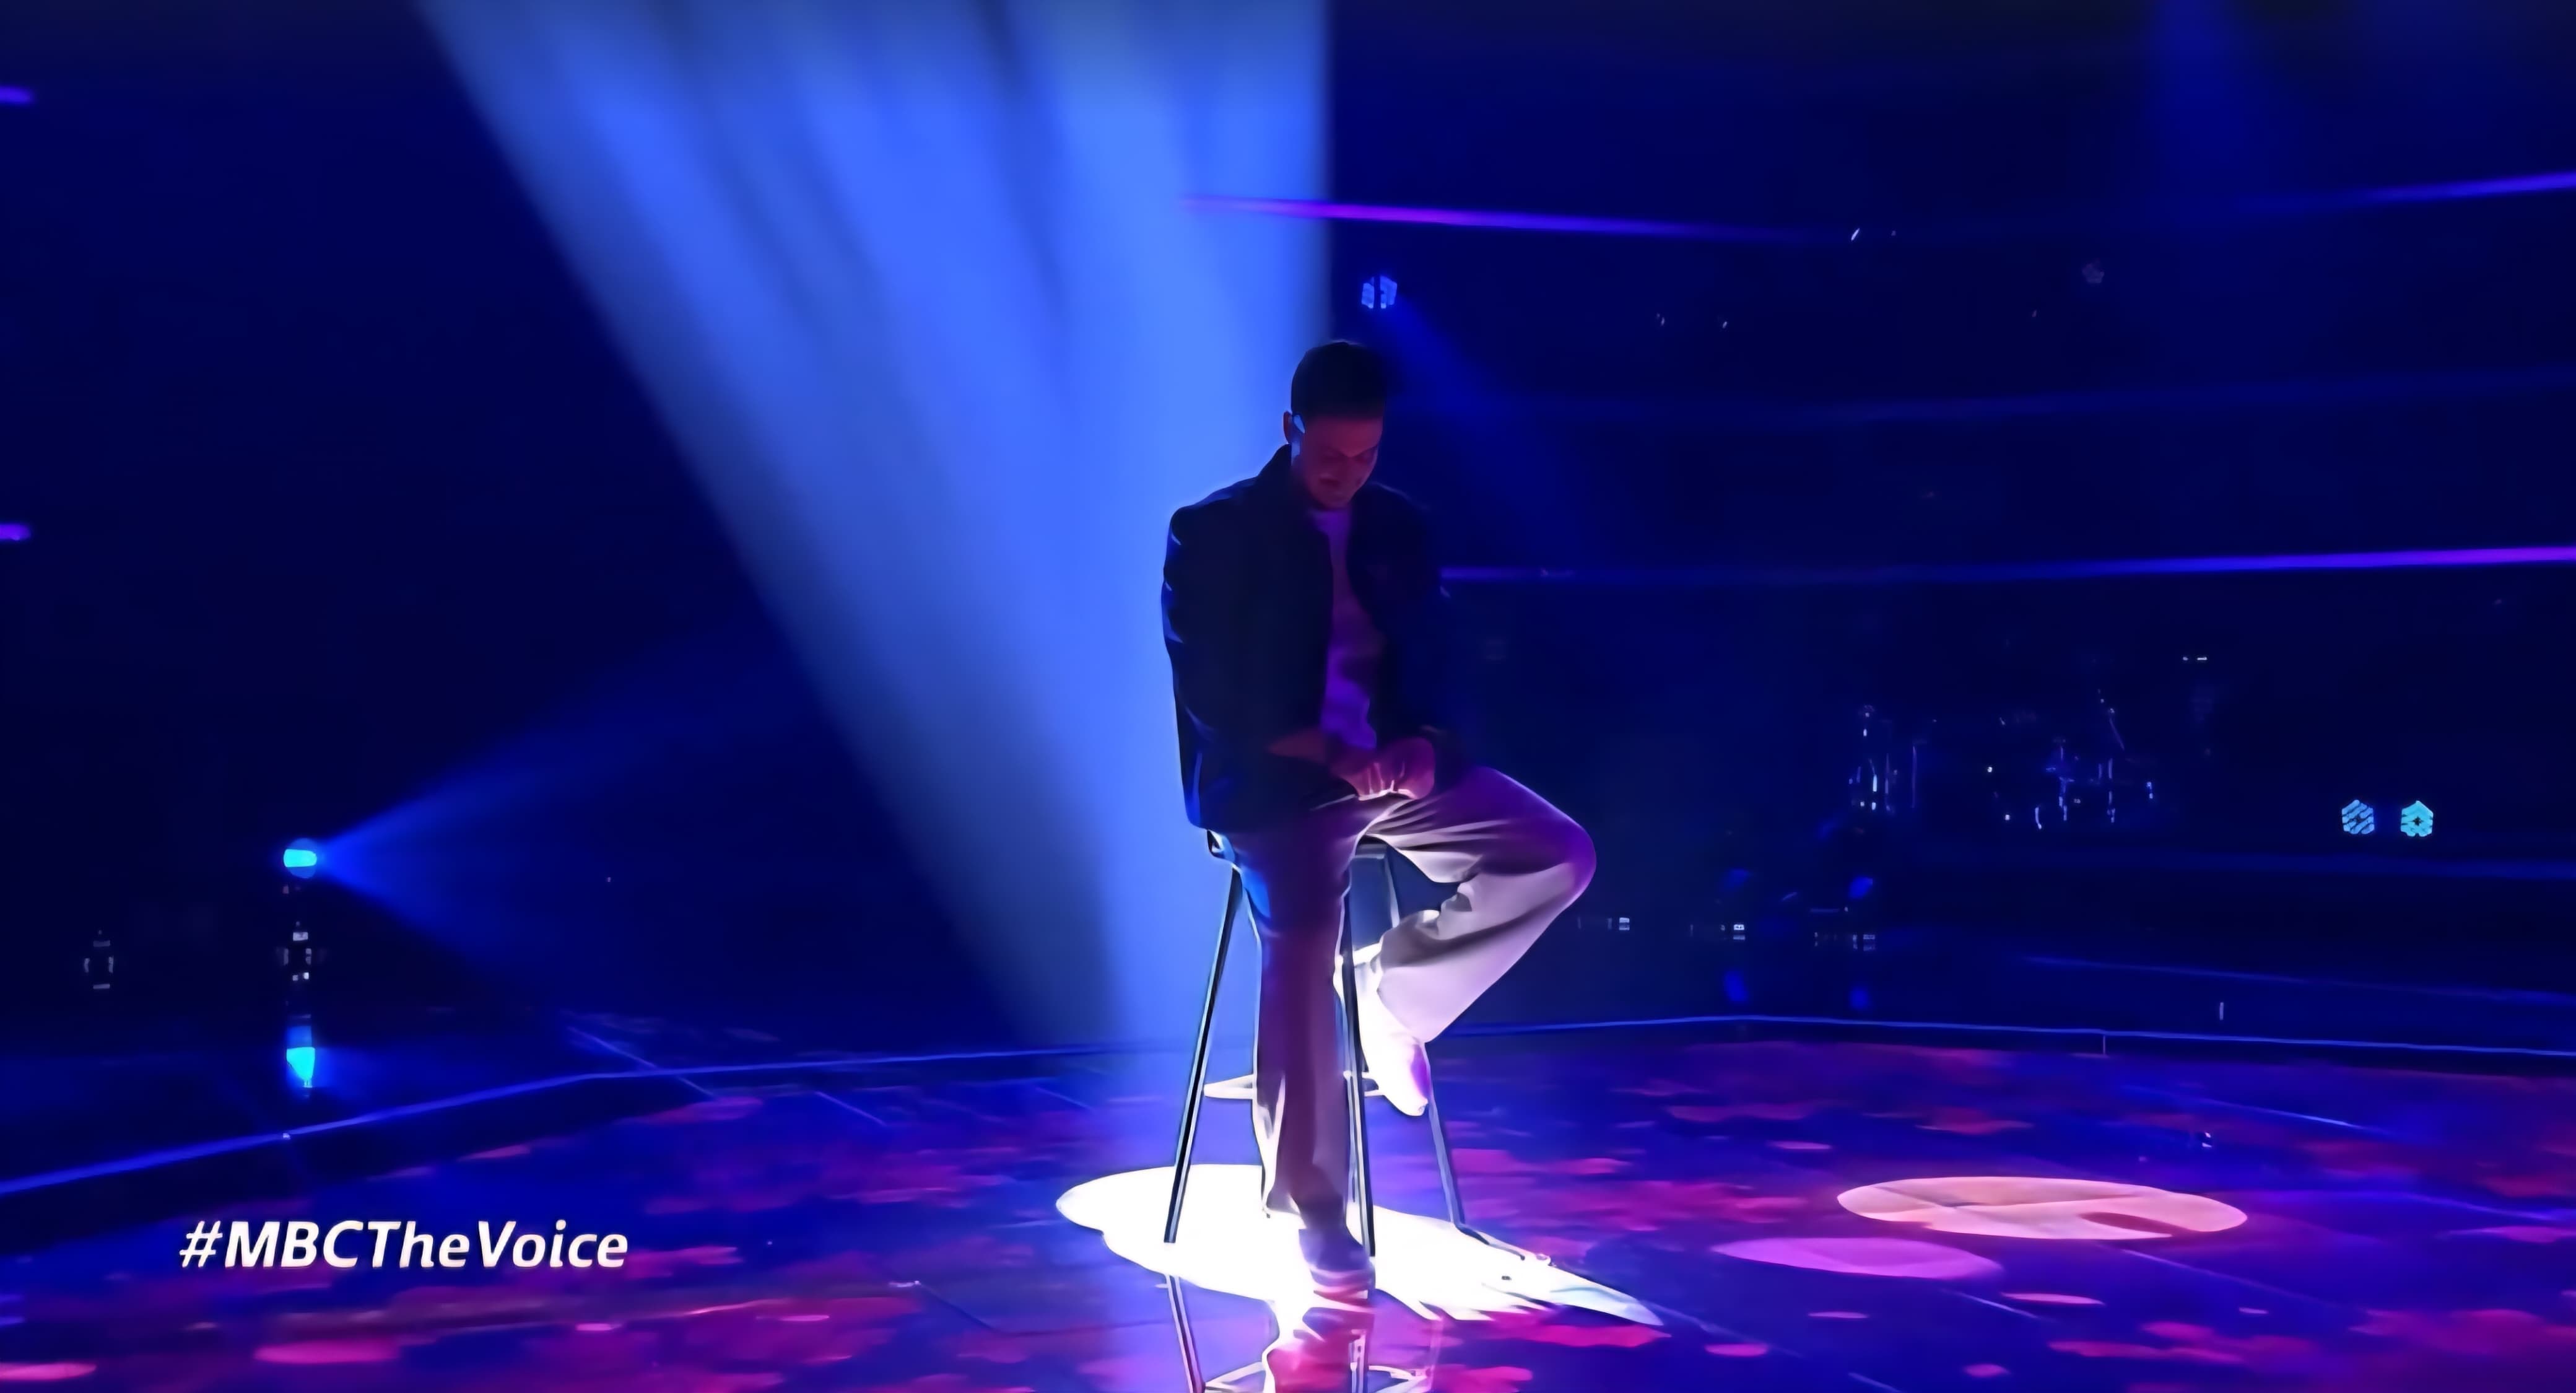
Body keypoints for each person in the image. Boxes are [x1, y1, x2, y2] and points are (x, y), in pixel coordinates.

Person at [1160, 339, 1596, 1296]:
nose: (1347, 474)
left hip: (1392, 776)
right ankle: (1315, 1208)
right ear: (1290, 430)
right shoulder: (1213, 532)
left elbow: (1441, 663)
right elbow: (1217, 696)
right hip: (1279, 783)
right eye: (1330, 456)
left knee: (1556, 854)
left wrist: (1429, 745)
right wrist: (1330, 754)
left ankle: (1397, 999)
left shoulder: (1397, 524)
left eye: (1365, 456)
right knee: (1301, 936)